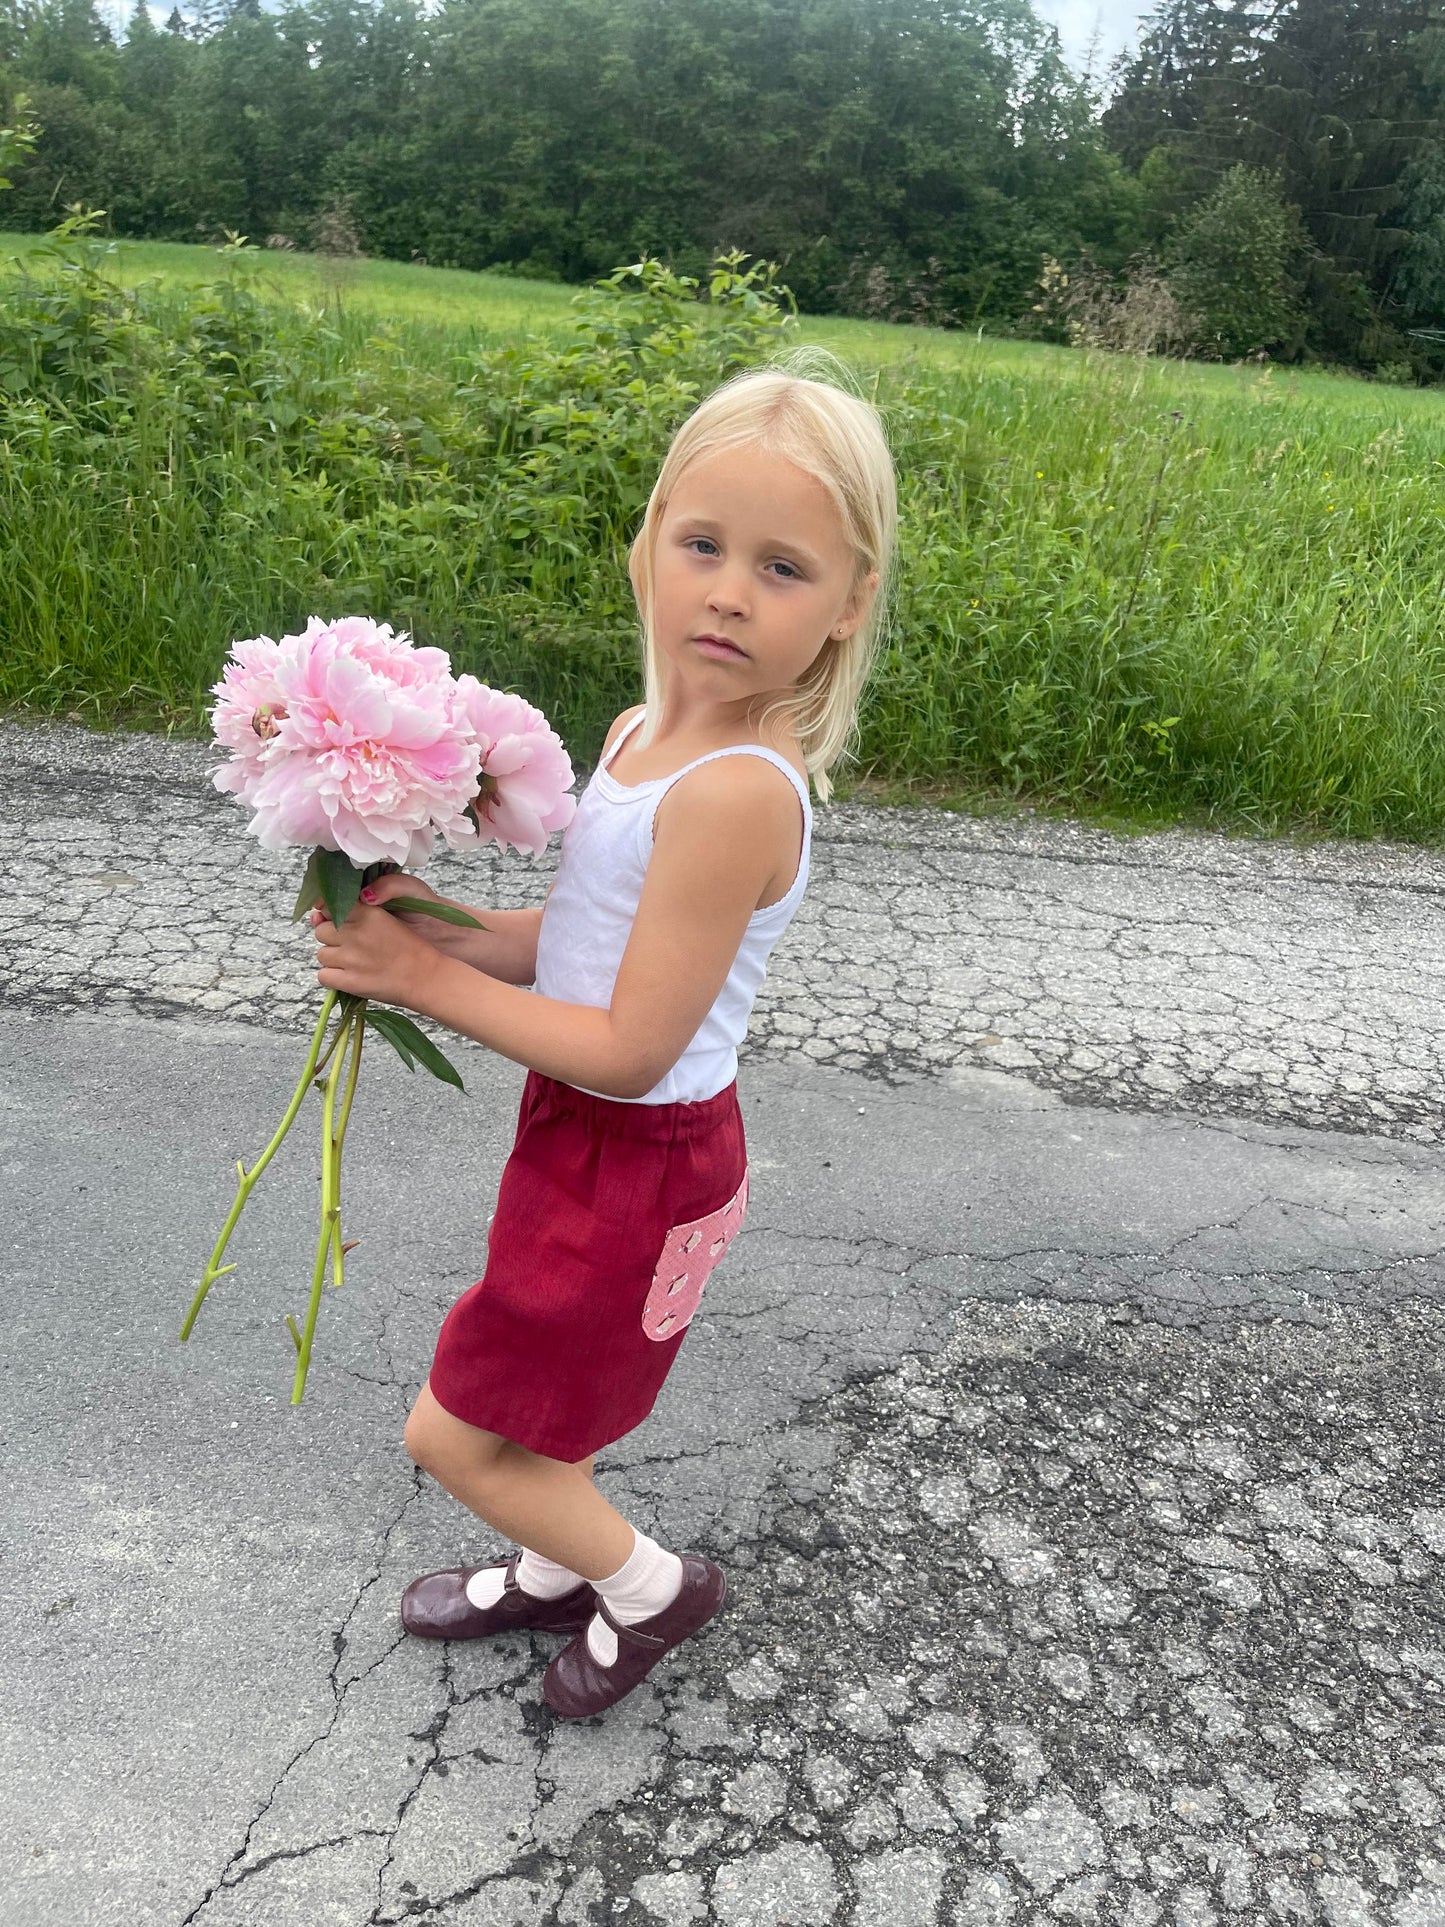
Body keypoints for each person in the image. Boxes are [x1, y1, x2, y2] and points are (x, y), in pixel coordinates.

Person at [310, 361, 898, 1718]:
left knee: (453, 1430)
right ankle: (548, 1565)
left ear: (847, 607)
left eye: (784, 568)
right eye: (702, 545)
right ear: (644, 549)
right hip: (582, 1130)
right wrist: (447, 930)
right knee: (536, 1399)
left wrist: (414, 982)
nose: (731, 591)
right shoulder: (640, 735)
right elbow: (583, 943)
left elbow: (631, 1042)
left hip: (637, 1153)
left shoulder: (738, 796)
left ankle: (644, 1588)